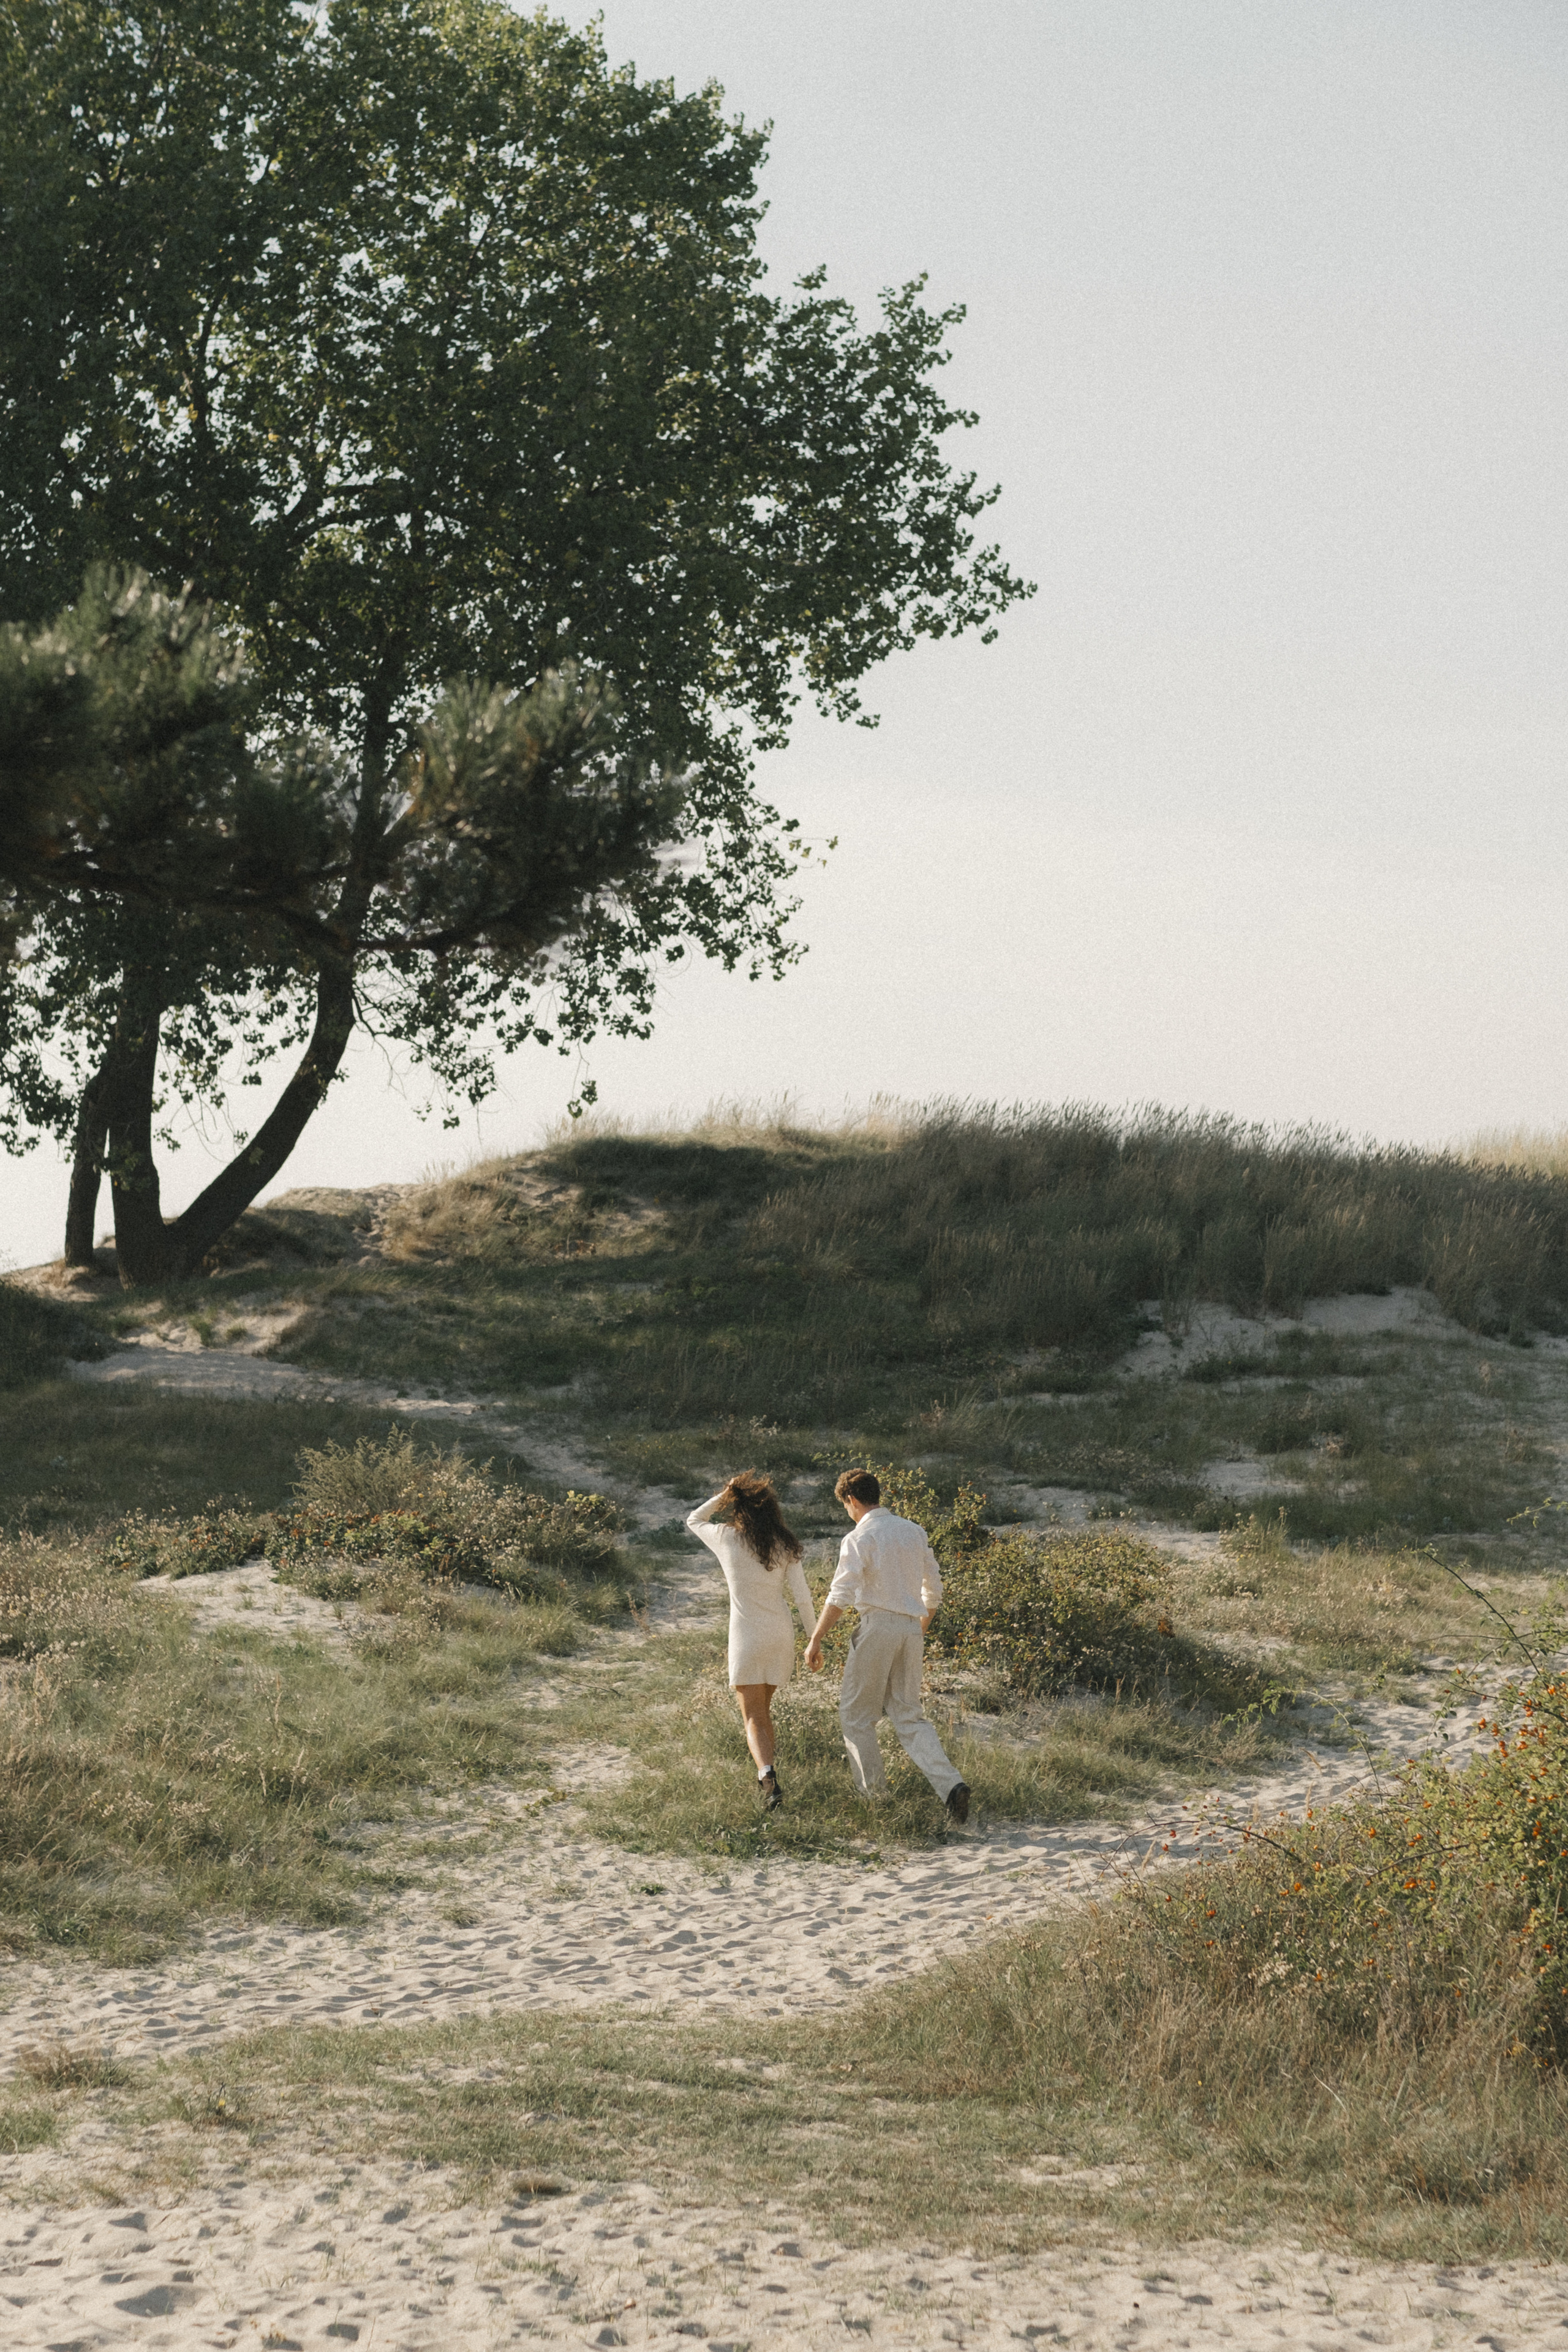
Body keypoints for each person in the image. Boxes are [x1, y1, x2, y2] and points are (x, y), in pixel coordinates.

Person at [805, 1467, 971, 1825]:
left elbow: (841, 1594)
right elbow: (934, 1589)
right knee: (909, 1715)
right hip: (911, 1628)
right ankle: (951, 1785)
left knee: (856, 1716)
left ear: (851, 1499)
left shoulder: (858, 1537)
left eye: (846, 1505)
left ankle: (875, 1800)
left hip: (877, 1626)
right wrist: (918, 1627)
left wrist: (816, 1638)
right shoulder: (914, 1531)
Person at [686, 1471, 816, 1811]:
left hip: (746, 1635)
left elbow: (694, 1519)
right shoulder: (785, 1545)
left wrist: (727, 1493)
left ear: (738, 1508)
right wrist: (813, 1639)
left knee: (753, 1716)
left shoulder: (726, 1537)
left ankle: (768, 1779)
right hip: (780, 1634)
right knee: (762, 1712)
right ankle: (768, 1773)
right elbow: (803, 1598)